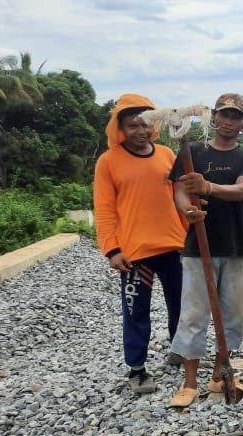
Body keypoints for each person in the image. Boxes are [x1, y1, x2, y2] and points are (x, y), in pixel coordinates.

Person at [168, 93, 243, 407]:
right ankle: (190, 383)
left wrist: (207, 188)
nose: (229, 122)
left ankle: (221, 377)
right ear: (214, 117)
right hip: (197, 247)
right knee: (194, 313)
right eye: (224, 115)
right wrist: (188, 211)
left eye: (236, 117)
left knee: (231, 315)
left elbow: (239, 191)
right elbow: (180, 191)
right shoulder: (192, 151)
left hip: (235, 246)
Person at [94, 93, 187, 394]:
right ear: (119, 127)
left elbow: (179, 197)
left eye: (145, 124)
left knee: (181, 305)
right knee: (136, 312)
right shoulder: (109, 161)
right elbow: (104, 209)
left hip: (173, 246)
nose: (140, 131)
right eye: (132, 125)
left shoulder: (165, 155)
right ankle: (137, 368)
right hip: (135, 255)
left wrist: (189, 232)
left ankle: (181, 349)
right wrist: (112, 249)